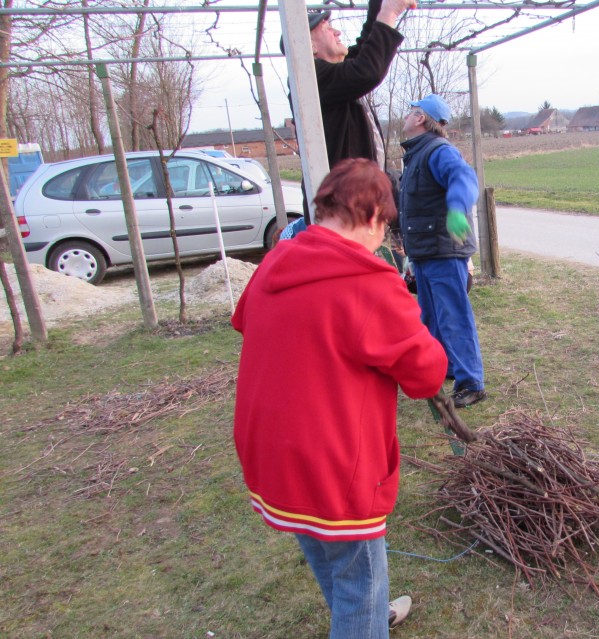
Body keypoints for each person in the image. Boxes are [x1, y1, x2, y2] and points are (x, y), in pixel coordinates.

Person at [232, 159, 448, 636]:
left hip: (270, 453)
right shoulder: (367, 282)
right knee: (355, 566)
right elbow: (426, 374)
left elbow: (246, 320)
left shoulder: (275, 261)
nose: (383, 238)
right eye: (385, 226)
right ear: (373, 216)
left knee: (329, 552)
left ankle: (363, 612)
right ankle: (363, 618)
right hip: (332, 466)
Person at [280, 0, 415, 217]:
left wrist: (378, 6)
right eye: (327, 28)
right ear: (310, 46)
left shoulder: (331, 78)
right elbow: (367, 70)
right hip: (341, 211)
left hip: (350, 207)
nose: (337, 31)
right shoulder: (310, 78)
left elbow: (366, 48)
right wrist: (390, 11)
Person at [398, 93, 486, 409]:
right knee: (431, 318)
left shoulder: (438, 151)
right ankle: (445, 368)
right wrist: (410, 255)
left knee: (453, 316)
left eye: (410, 111)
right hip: (425, 252)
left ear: (421, 118)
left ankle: (472, 382)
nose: (405, 116)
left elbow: (463, 177)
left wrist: (458, 209)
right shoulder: (416, 155)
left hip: (444, 251)